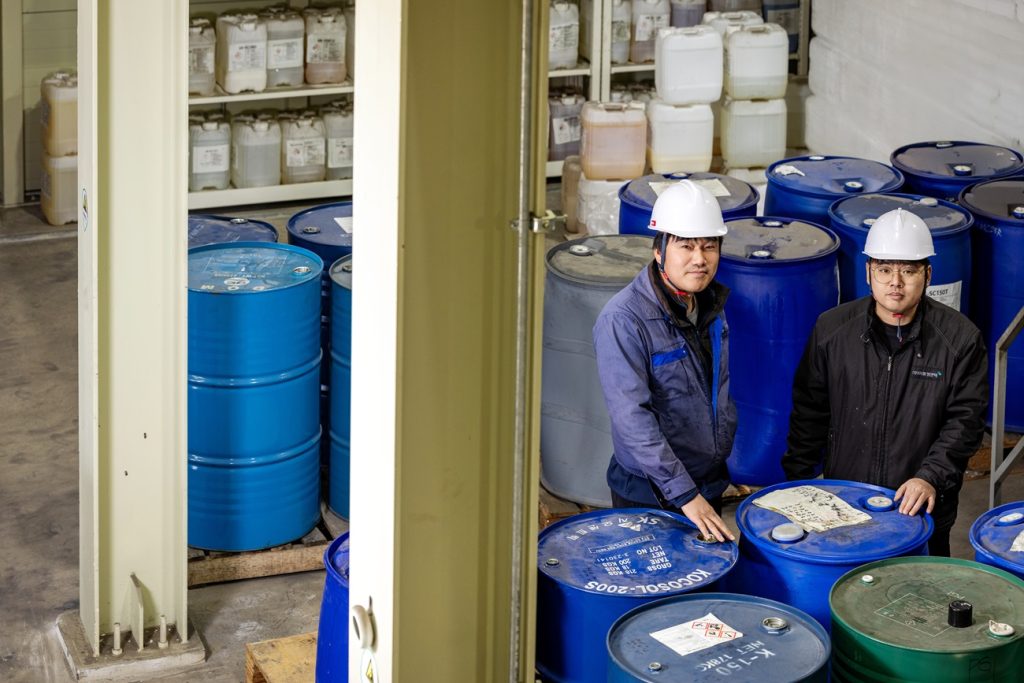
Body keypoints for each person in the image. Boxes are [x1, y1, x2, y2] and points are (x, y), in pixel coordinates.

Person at [782, 208, 988, 556]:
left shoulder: (959, 339)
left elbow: (965, 422)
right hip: (845, 500)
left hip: (920, 505)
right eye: (885, 269)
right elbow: (809, 412)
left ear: (928, 274)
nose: (896, 282)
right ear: (868, 272)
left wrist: (930, 477)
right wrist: (798, 482)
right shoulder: (832, 330)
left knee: (921, 596)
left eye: (908, 270)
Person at [593, 181, 736, 543]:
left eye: (709, 246)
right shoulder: (624, 320)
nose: (699, 258)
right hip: (652, 490)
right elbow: (631, 417)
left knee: (702, 590)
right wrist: (686, 495)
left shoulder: (709, 305)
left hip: (708, 479)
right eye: (686, 246)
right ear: (659, 251)